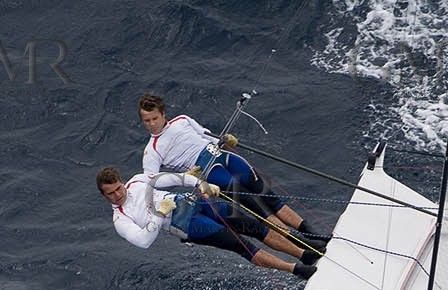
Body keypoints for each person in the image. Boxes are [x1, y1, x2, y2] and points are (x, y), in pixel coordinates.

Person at [137, 93, 329, 264]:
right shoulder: (151, 151)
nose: (152, 124)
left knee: (271, 198)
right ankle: (304, 245)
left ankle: (310, 231)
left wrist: (225, 139)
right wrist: (182, 178)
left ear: (163, 114)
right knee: (259, 209)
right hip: (211, 174)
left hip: (227, 158)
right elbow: (152, 183)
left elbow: (207, 136)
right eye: (146, 121)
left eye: (154, 118)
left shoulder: (183, 120)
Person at [96, 166, 315, 278]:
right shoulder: (120, 219)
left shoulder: (137, 180)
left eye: (118, 188)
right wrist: (159, 214)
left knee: (253, 226)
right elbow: (143, 241)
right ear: (104, 196)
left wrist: (200, 184)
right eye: (110, 194)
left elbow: (175, 178)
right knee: (241, 244)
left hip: (195, 202)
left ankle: (304, 253)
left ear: (122, 182)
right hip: (187, 226)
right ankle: (296, 270)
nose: (117, 195)